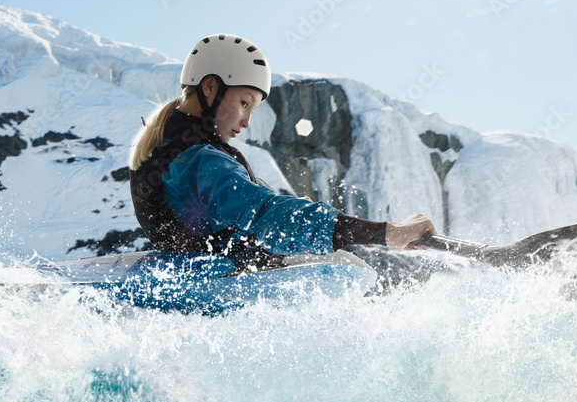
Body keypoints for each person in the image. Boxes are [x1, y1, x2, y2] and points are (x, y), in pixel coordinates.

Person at [129, 33, 435, 264]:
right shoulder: (201, 161)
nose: (247, 121)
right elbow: (268, 217)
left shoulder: (167, 148)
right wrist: (388, 233)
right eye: (244, 103)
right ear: (209, 87)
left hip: (197, 270)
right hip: (221, 278)